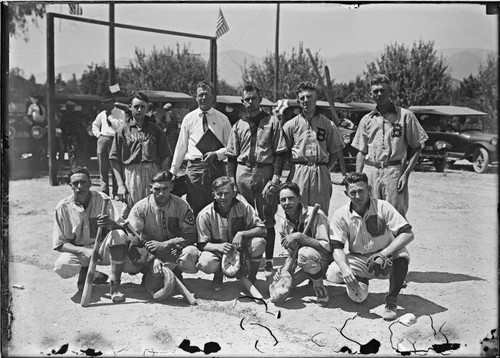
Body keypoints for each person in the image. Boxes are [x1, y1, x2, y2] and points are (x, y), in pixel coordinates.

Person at [326, 172, 414, 321]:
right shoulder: (341, 214)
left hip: (385, 257)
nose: (357, 196)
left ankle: (391, 301)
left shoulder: (383, 206)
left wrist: (384, 253)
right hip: (360, 259)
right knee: (335, 273)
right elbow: (336, 247)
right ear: (346, 193)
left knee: (403, 256)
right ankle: (361, 280)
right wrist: (346, 268)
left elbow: (407, 234)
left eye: (361, 190)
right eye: (353, 192)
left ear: (369, 189)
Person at [226, 83, 288, 276]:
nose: (251, 102)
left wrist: (276, 179)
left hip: (264, 172)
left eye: (254, 98)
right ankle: (243, 260)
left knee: (267, 217)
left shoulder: (272, 122)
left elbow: (280, 152)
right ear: (242, 101)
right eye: (247, 99)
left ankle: (268, 261)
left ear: (260, 100)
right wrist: (231, 182)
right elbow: (231, 156)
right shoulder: (238, 125)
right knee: (242, 216)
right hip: (243, 172)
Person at [351, 74, 428, 217]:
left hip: (394, 172)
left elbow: (417, 147)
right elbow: (361, 151)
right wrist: (358, 179)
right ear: (371, 95)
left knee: (395, 217)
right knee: (370, 215)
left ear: (390, 92)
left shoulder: (405, 116)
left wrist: (405, 175)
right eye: (375, 91)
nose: (379, 94)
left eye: (383, 90)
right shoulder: (366, 120)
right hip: (371, 172)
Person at [52, 167, 130, 303]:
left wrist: (109, 223)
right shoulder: (62, 207)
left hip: (101, 249)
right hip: (79, 251)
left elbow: (121, 227)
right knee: (61, 267)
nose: (80, 186)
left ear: (90, 183)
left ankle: (115, 286)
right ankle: (91, 273)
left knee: (118, 235)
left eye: (83, 182)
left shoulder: (103, 199)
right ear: (70, 185)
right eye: (75, 183)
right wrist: (82, 251)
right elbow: (60, 244)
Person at [124, 171, 200, 286]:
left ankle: (175, 272)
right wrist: (150, 258)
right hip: (150, 252)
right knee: (125, 258)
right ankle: (149, 272)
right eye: (157, 189)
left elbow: (191, 235)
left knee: (190, 253)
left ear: (171, 187)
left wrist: (165, 245)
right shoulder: (141, 207)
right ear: (150, 188)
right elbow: (132, 237)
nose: (161, 193)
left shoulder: (181, 205)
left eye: (165, 189)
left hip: (174, 251)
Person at [170, 81, 232, 217]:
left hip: (216, 168)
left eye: (207, 95)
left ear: (213, 96)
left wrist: (217, 154)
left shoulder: (223, 119)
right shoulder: (188, 119)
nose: (204, 98)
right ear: (196, 97)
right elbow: (181, 146)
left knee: (217, 206)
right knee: (196, 207)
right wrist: (173, 172)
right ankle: (198, 238)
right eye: (201, 95)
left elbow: (231, 147)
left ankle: (217, 237)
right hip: (195, 169)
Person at [282, 82, 344, 215]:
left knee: (319, 212)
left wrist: (326, 167)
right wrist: (294, 166)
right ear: (298, 101)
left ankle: (319, 236)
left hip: (320, 170)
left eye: (309, 97)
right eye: (302, 98)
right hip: (299, 171)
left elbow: (335, 150)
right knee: (297, 211)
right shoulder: (291, 125)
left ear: (316, 98)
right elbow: (283, 150)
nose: (306, 100)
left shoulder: (327, 124)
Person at [196, 176, 267, 291]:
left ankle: (251, 277)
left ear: (233, 193)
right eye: (219, 194)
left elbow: (263, 230)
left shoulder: (244, 207)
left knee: (259, 243)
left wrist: (241, 234)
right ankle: (218, 275)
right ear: (213, 194)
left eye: (227, 193)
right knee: (205, 262)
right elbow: (201, 244)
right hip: (219, 252)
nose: (223, 197)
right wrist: (219, 247)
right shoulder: (205, 214)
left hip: (241, 249)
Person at [109, 91, 172, 219]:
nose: (139, 110)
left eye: (143, 106)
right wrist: (120, 185)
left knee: (154, 209)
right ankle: (132, 237)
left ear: (147, 108)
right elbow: (114, 159)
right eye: (136, 106)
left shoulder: (155, 130)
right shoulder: (123, 130)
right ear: (130, 107)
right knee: (132, 210)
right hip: (132, 175)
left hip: (152, 173)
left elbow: (165, 155)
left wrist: (163, 177)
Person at [277, 182, 333, 306]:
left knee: (305, 253)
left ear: (299, 198)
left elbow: (327, 248)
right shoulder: (283, 222)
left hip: (321, 261)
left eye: (291, 198)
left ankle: (319, 288)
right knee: (278, 289)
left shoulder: (316, 214)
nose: (287, 202)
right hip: (300, 262)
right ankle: (306, 278)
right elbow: (289, 253)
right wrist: (285, 271)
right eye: (283, 200)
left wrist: (300, 236)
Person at [92, 94, 126, 198]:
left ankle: (116, 191)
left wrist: (110, 118)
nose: (105, 105)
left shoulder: (120, 113)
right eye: (104, 103)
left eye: (108, 102)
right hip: (103, 138)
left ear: (113, 103)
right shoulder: (101, 114)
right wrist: (98, 135)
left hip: (114, 139)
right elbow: (95, 125)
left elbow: (121, 126)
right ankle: (104, 192)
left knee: (115, 165)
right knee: (103, 166)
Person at [59, 100, 89, 168]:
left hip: (75, 135)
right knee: (69, 150)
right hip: (69, 135)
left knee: (76, 150)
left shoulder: (76, 115)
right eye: (70, 107)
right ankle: (71, 164)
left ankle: (77, 164)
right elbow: (62, 125)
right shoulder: (65, 115)